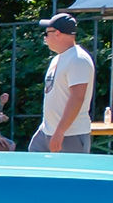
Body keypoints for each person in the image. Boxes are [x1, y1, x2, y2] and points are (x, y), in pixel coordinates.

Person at [29, 13, 94, 153]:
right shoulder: (58, 59)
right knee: (34, 160)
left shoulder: (78, 59)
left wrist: (59, 132)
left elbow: (77, 97)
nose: (45, 37)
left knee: (71, 174)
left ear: (57, 33)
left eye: (46, 33)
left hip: (70, 134)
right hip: (48, 131)